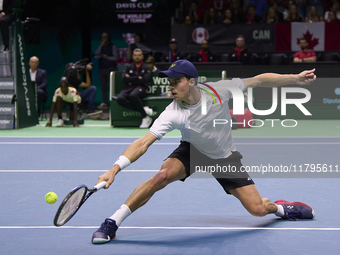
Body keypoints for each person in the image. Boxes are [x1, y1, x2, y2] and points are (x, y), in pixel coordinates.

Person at [91, 59, 316, 244]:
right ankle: (112, 222)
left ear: (191, 82)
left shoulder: (220, 90)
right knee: (161, 176)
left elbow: (259, 80)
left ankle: (281, 209)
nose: (171, 86)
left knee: (257, 209)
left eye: (176, 81)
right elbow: (143, 143)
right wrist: (114, 168)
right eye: (169, 82)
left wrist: (295, 78)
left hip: (224, 156)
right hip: (193, 150)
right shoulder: (173, 112)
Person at [117, 48, 153, 128]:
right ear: (132, 56)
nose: (137, 57)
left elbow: (145, 80)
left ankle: (145, 117)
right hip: (128, 88)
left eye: (139, 55)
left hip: (141, 88)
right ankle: (144, 110)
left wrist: (131, 79)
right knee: (120, 99)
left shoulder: (146, 67)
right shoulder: (128, 66)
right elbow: (124, 79)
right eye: (135, 55)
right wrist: (138, 78)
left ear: (142, 56)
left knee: (133, 95)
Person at [94, 32, 119, 110]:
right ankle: (105, 103)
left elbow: (116, 58)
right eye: (102, 37)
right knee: (103, 86)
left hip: (110, 69)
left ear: (108, 38)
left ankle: (113, 102)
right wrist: (101, 45)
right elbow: (96, 55)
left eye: (105, 37)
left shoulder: (112, 46)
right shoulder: (101, 46)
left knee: (112, 87)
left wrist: (107, 57)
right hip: (102, 69)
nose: (104, 39)